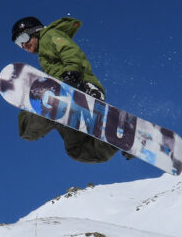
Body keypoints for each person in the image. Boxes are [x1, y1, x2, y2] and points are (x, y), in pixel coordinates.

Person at [10, 15, 120, 164]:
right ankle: (116, 138)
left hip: (79, 86)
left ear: (34, 30)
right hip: (67, 101)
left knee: (27, 124)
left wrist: (72, 74)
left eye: (23, 38)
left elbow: (70, 50)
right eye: (18, 43)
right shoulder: (43, 55)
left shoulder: (50, 35)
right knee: (76, 149)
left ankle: (47, 112)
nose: (23, 45)